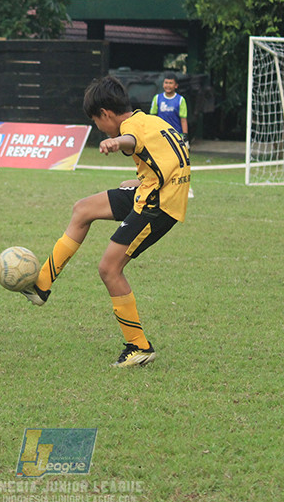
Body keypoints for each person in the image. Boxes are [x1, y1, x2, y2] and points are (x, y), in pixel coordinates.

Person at [20, 75, 191, 368]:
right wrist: (142, 179)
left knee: (109, 268)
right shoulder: (151, 121)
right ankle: (42, 284)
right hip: (152, 189)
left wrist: (115, 142)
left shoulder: (129, 129)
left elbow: (131, 140)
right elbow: (171, 152)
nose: (99, 128)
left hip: (157, 204)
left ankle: (138, 346)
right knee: (83, 209)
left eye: (97, 122)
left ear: (106, 114)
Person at [149, 73, 195, 198]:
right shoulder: (157, 99)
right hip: (161, 137)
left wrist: (185, 136)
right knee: (160, 163)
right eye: (166, 83)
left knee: (181, 163)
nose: (168, 85)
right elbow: (152, 118)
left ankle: (188, 189)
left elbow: (183, 119)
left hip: (176, 137)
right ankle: (160, 188)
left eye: (170, 83)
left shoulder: (180, 100)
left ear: (176, 85)